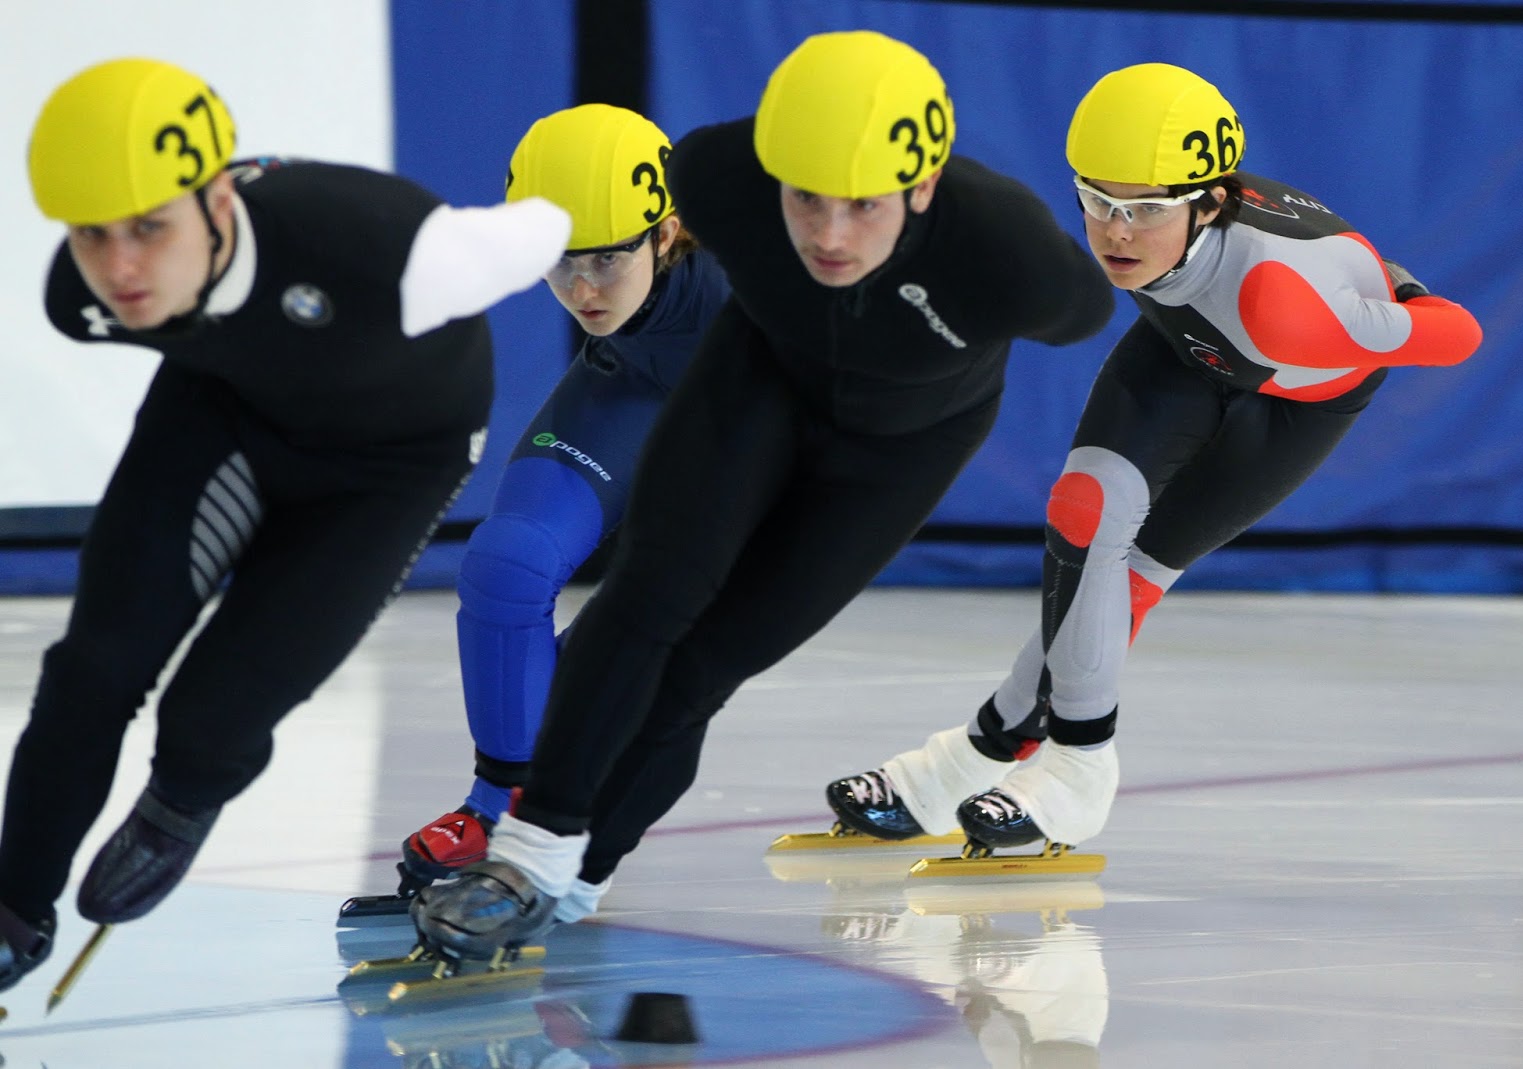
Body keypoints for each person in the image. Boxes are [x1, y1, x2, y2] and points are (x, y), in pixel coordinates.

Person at [409, 29, 1114, 961]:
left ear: (923, 187)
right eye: (804, 197)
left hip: (896, 448)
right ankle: (528, 853)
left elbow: (1096, 309)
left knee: (700, 666)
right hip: (765, 381)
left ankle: (582, 873)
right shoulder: (715, 177)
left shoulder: (1011, 254)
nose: (827, 234)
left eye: (861, 205)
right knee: (644, 600)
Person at [0, 57, 572, 991]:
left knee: (211, 720)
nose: (122, 267)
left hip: (388, 468)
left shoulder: (394, 250)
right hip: (229, 414)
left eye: (150, 226)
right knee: (93, 668)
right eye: (93, 235)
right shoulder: (84, 298)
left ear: (220, 200)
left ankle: (185, 796)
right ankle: (12, 907)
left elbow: (545, 224)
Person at [825, 62, 1484, 855]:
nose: (1115, 231)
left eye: (1143, 210)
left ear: (1209, 203)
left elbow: (1459, 333)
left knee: (1133, 573)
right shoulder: (1158, 222)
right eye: (1096, 201)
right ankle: (994, 758)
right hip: (1188, 344)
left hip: (1296, 387)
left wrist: (1399, 296)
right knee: (1084, 514)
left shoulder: (1284, 303)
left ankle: (1033, 764)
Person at [390, 104, 728, 913]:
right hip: (635, 387)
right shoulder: (606, 281)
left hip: (760, 425)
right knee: (506, 565)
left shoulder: (758, 272)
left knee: (654, 633)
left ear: (666, 231)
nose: (580, 288)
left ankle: (570, 836)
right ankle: (499, 803)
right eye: (558, 261)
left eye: (606, 260)